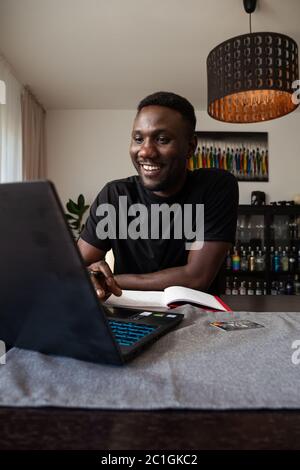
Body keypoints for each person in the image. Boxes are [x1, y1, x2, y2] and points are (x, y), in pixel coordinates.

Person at [78, 91, 239, 300]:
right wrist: (89, 273)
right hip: (130, 312)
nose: (145, 151)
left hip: (198, 315)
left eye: (162, 139)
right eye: (138, 139)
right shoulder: (116, 195)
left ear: (190, 147)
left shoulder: (214, 187)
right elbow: (75, 267)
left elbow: (196, 277)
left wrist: (108, 280)